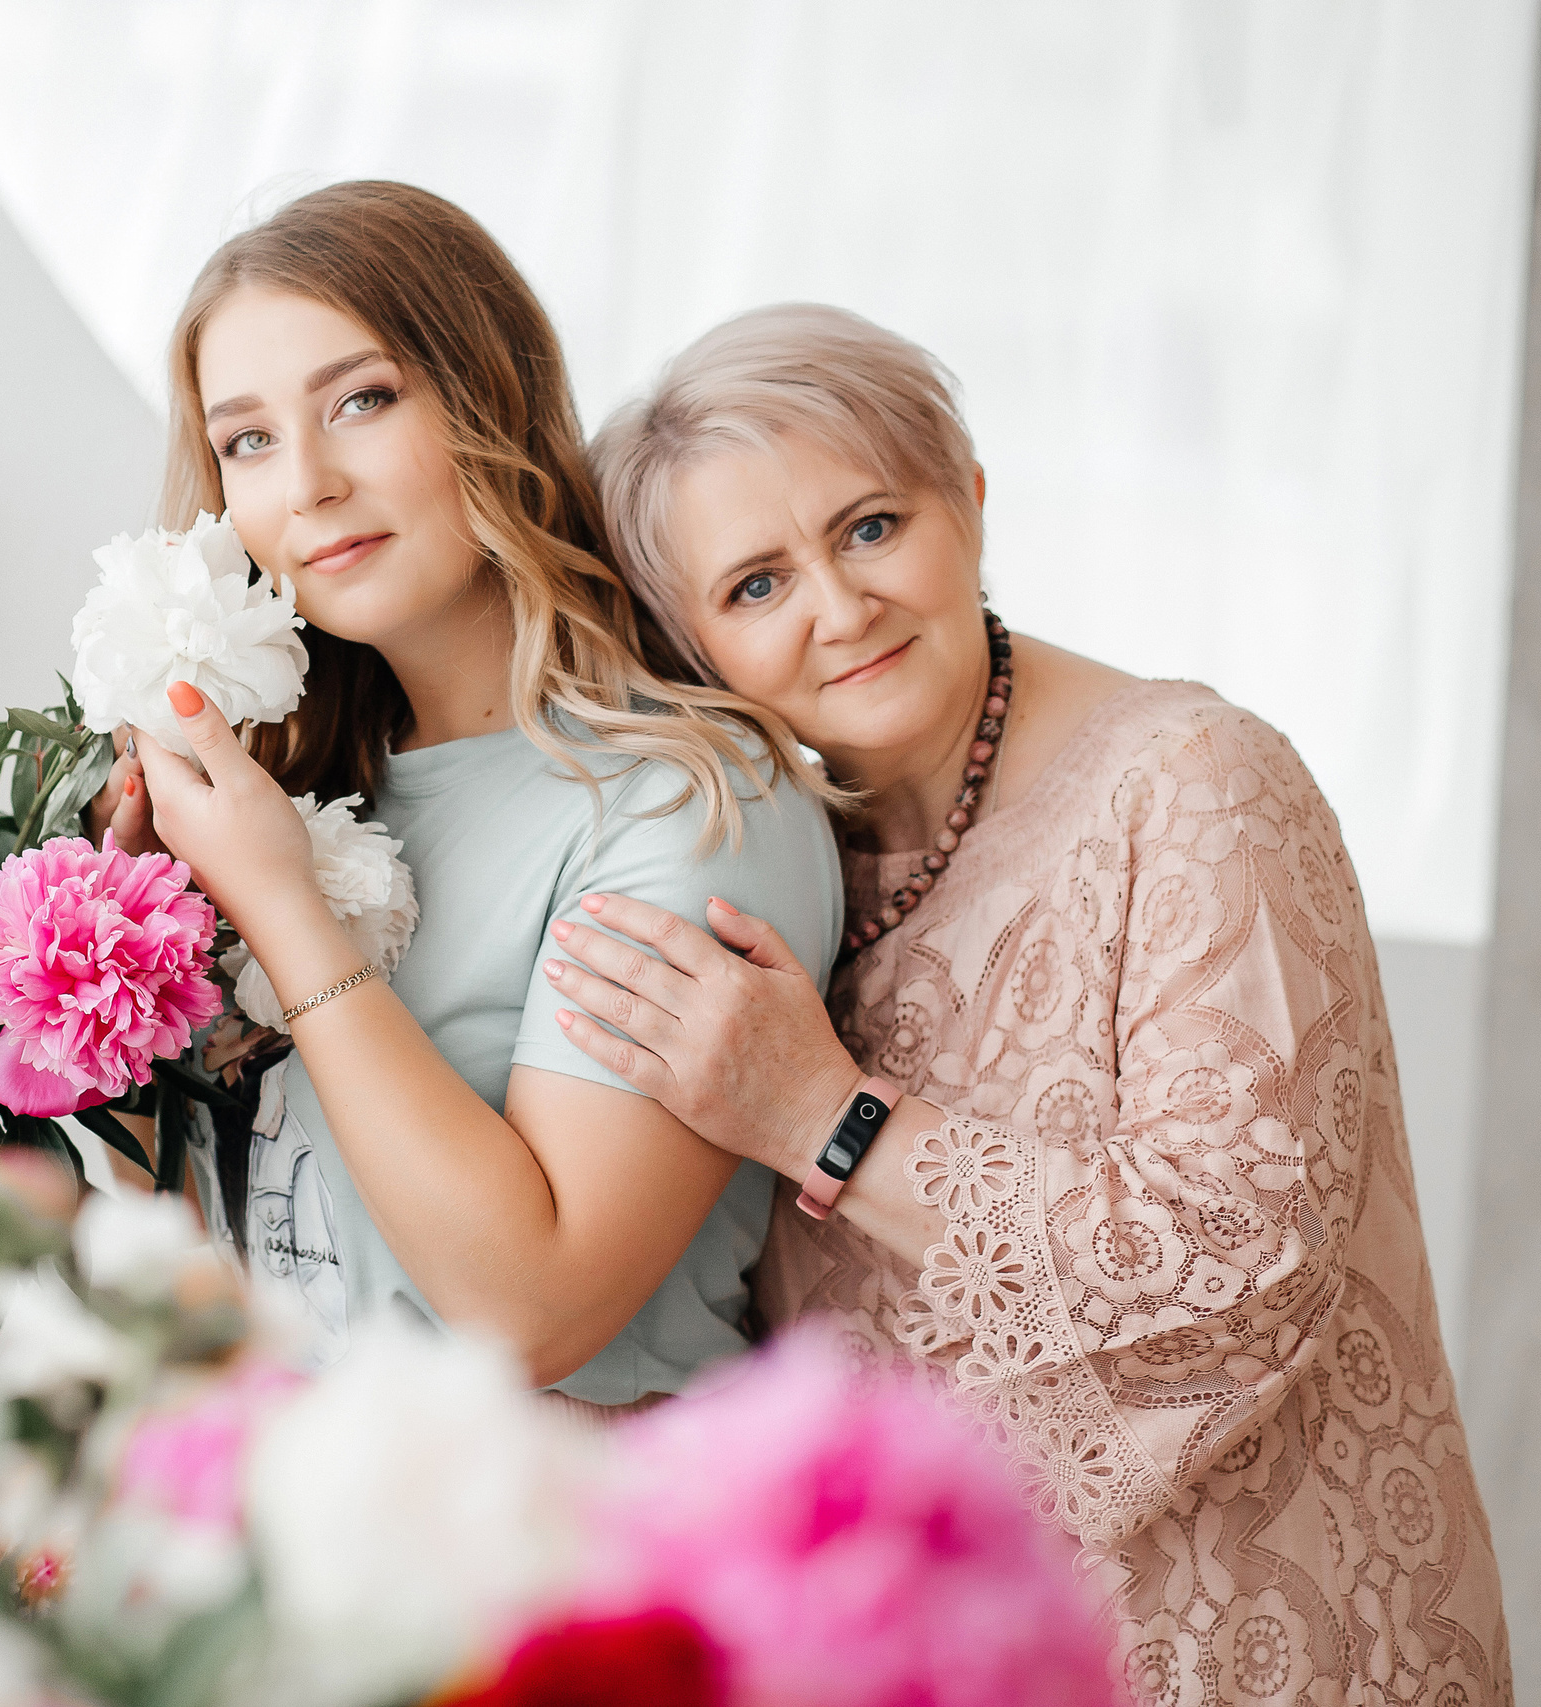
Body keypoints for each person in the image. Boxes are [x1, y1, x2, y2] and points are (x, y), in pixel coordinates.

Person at [556, 303, 1508, 1695]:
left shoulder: (1196, 782)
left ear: (971, 499)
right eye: (757, 584)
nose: (839, 603)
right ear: (691, 642)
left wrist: (825, 1114)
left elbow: (1237, 1264)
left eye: (871, 525)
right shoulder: (770, 859)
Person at [91, 182, 843, 1410]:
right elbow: (196, 1269)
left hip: (559, 1561)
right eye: (249, 440)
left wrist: (283, 909)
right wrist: (125, 957)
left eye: (362, 401)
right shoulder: (289, 789)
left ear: (487, 392)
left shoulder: (682, 807)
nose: (309, 485)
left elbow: (530, 1312)